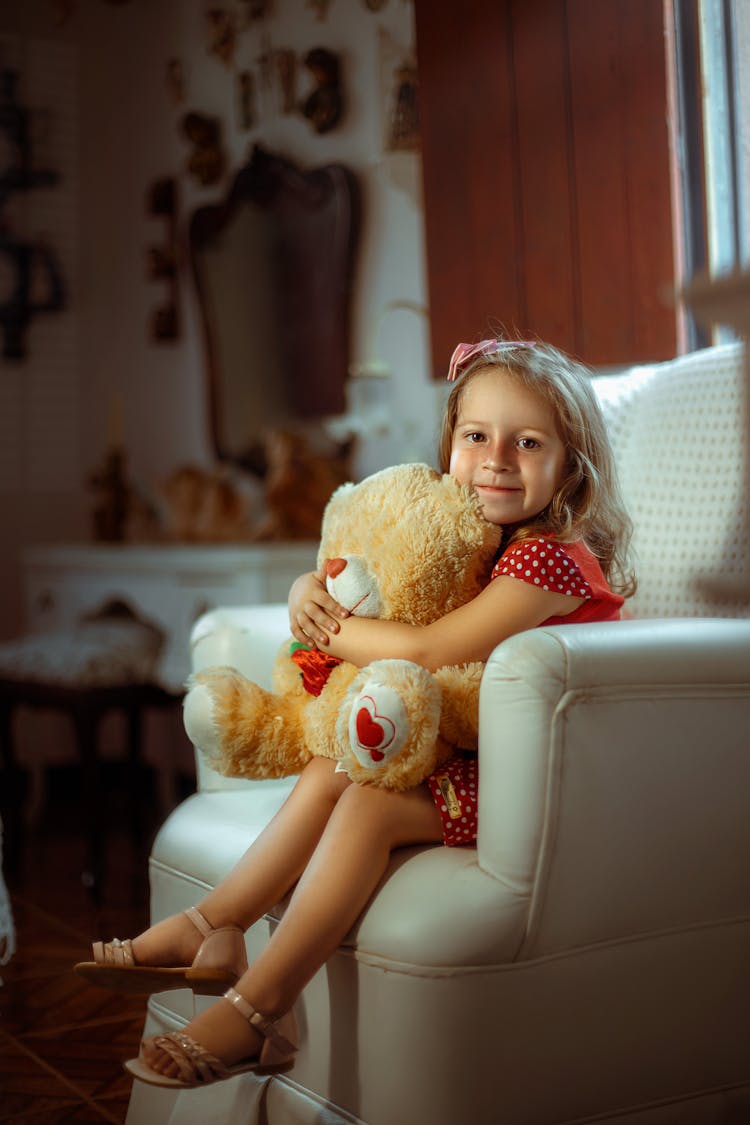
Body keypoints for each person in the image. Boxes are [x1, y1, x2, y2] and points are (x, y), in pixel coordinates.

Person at [74, 338, 636, 1089]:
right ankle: (213, 925)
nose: (497, 458)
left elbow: (434, 649)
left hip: (540, 780)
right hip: (477, 755)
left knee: (369, 804)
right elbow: (389, 588)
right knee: (334, 759)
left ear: (571, 465)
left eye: (527, 442)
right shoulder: (482, 543)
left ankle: (259, 1010)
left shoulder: (549, 560)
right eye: (476, 436)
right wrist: (310, 587)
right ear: (451, 445)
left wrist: (326, 627)